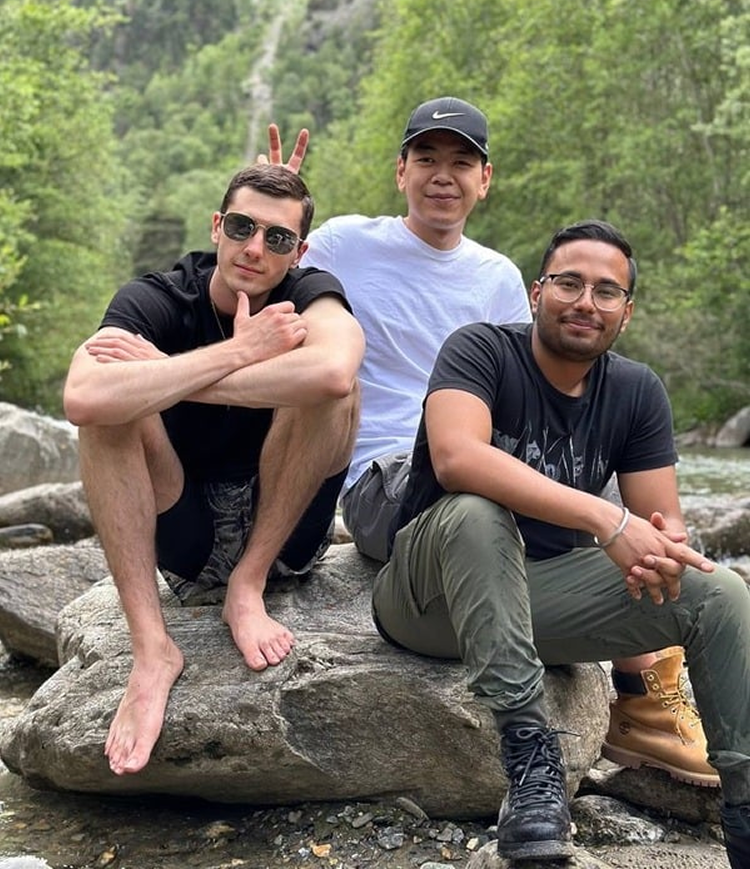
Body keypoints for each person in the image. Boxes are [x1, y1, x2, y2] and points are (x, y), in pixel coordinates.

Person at [288, 97, 718, 789]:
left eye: (461, 162)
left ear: (484, 180)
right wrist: (273, 203)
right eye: (426, 158)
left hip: (486, 452)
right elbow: (268, 272)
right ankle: (563, 727)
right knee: (517, 497)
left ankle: (647, 696)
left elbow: (537, 392)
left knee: (598, 474)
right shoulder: (343, 242)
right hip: (388, 477)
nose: (442, 175)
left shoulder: (494, 277)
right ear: (401, 170)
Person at [369, 219, 750, 865]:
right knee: (476, 510)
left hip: (538, 598)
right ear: (534, 292)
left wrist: (659, 549)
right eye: (569, 282)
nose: (585, 301)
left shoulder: (635, 390)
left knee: (719, 590)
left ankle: (742, 806)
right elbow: (458, 456)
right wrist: (608, 521)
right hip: (430, 597)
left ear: (625, 314)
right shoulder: (480, 350)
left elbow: (661, 527)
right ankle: (531, 769)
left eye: (607, 291)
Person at [63, 163, 365, 777]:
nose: (255, 247)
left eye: (277, 238)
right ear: (217, 226)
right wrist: (240, 351)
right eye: (241, 226)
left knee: (339, 394)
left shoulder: (310, 292)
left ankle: (246, 588)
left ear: (298, 251)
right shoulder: (157, 297)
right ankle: (152, 651)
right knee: (109, 414)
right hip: (188, 536)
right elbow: (83, 397)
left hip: (283, 537)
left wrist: (176, 380)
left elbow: (334, 370)